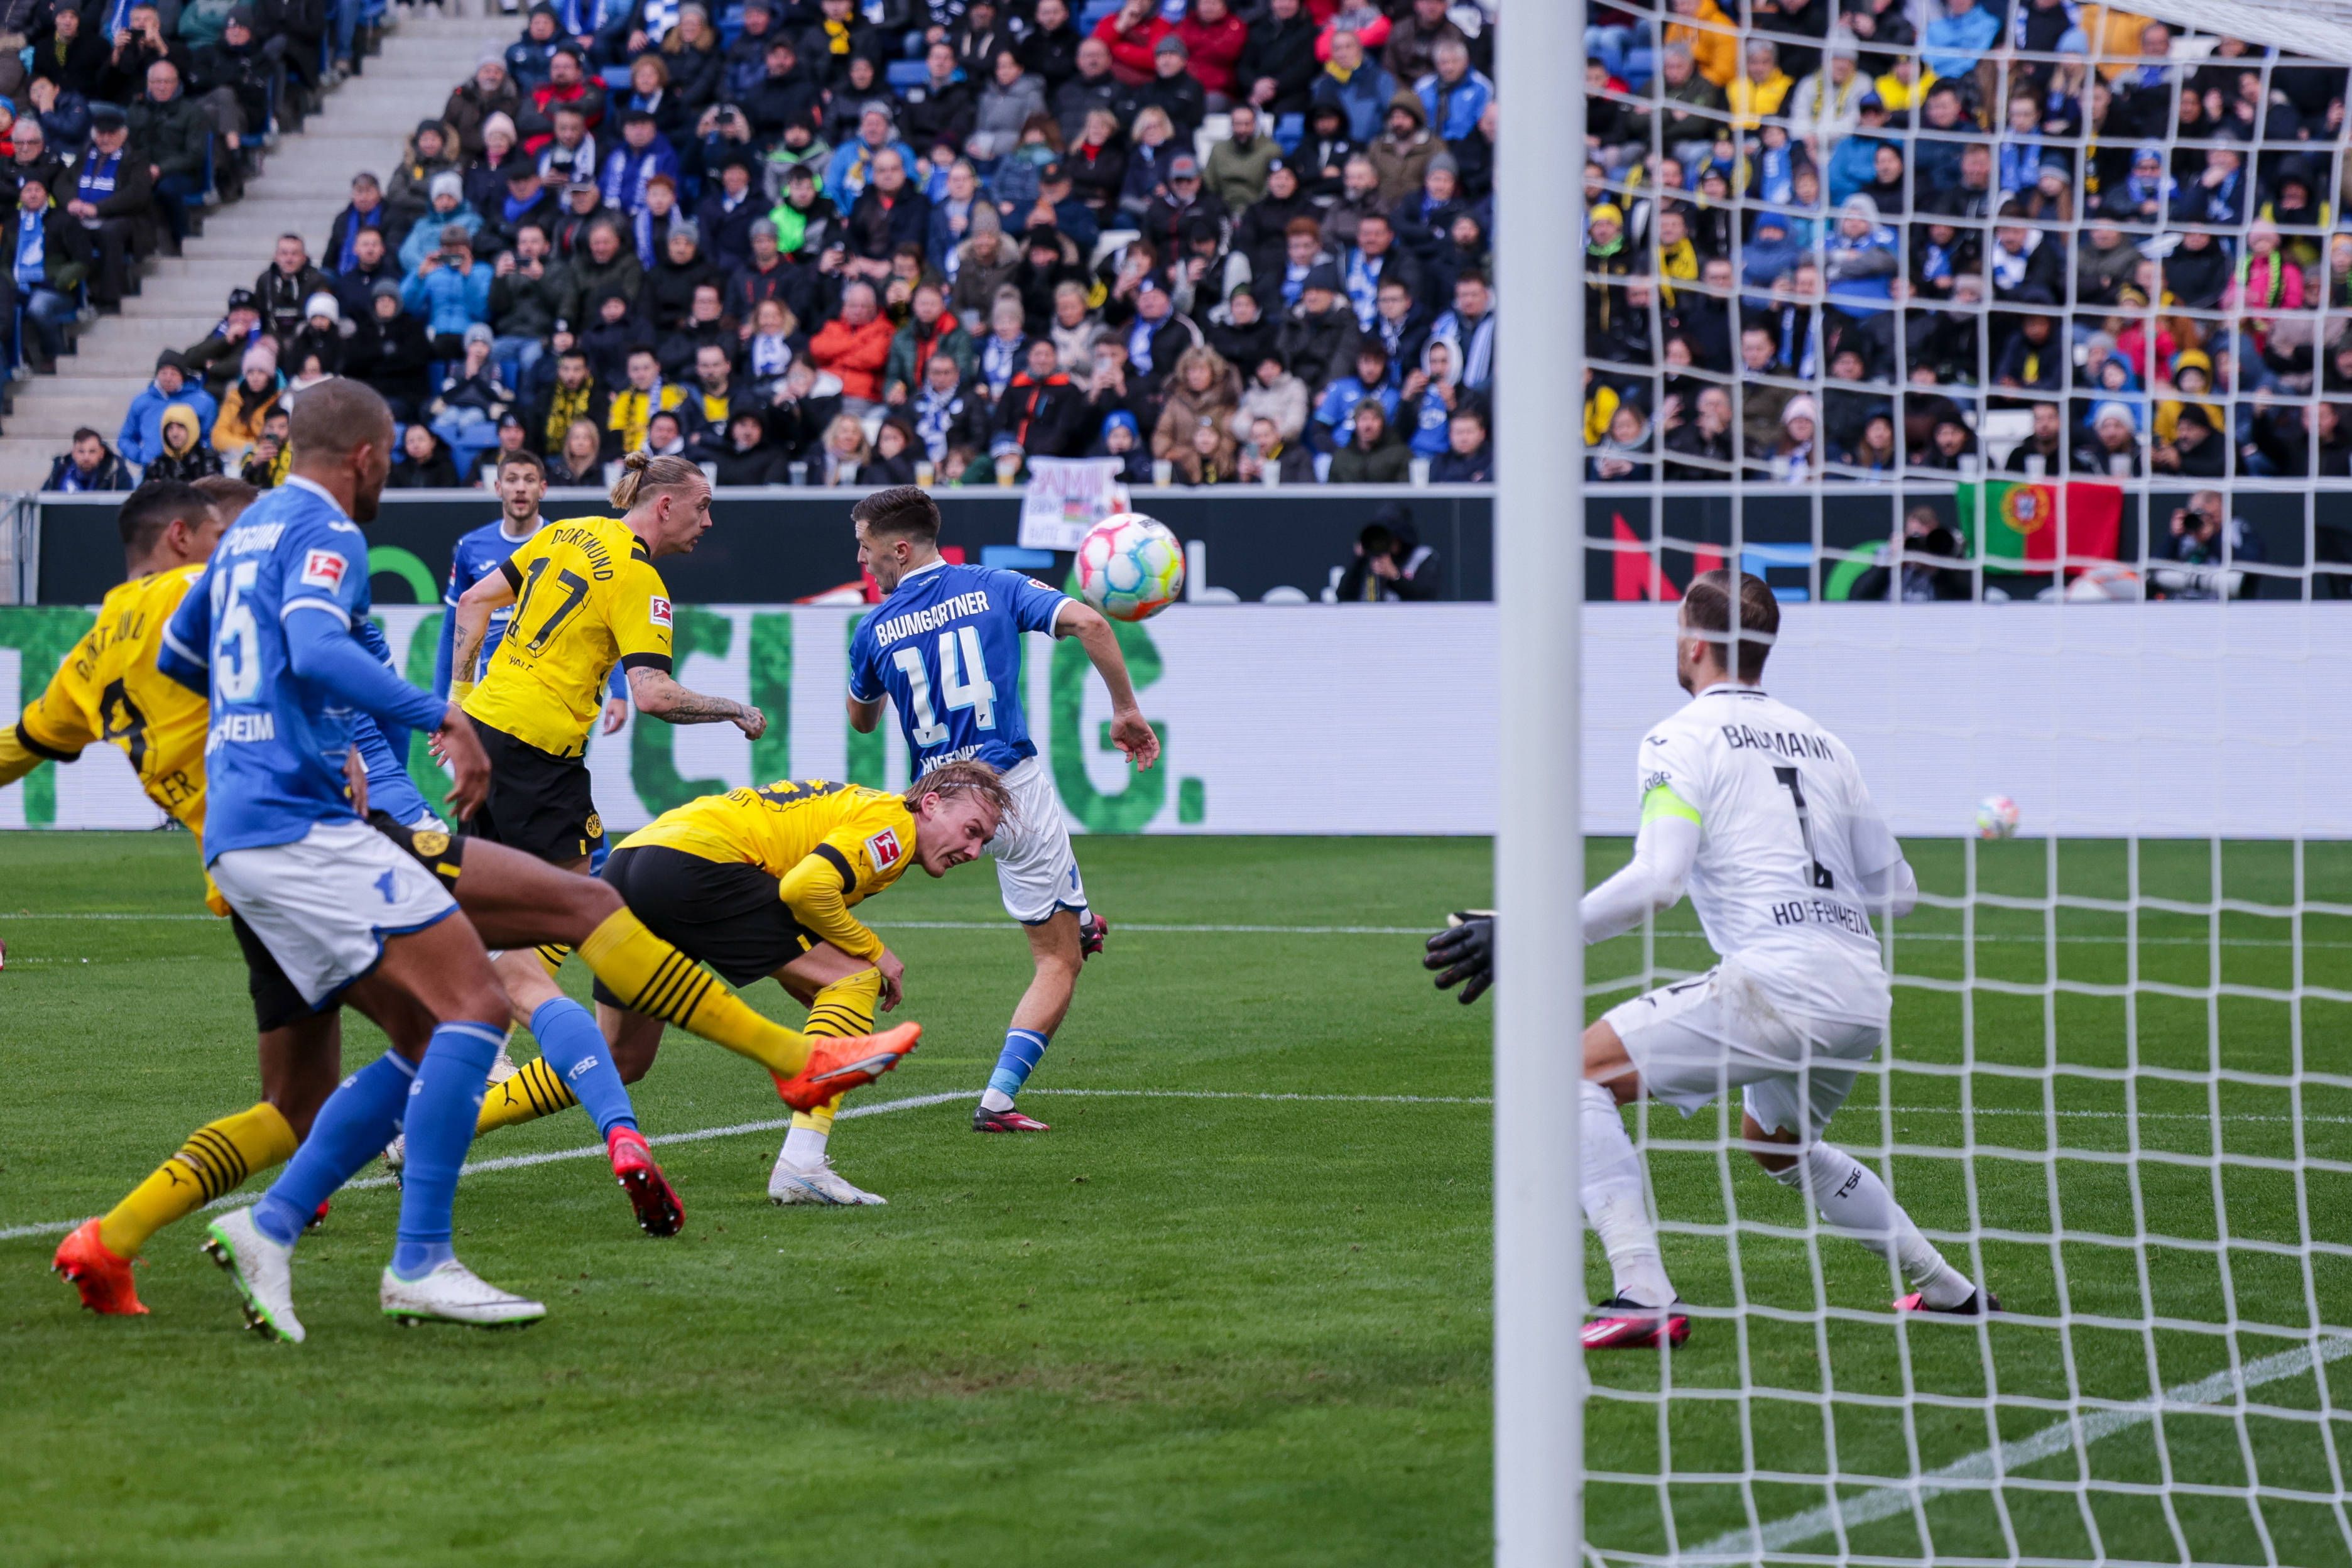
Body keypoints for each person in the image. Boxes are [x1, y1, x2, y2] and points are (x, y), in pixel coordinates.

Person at [1424, 570, 1991, 1351]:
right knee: (1775, 1145)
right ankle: (1949, 1291)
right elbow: (1898, 892)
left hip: (1781, 984)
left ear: (1693, 643)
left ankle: (1643, 1293)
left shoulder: (1679, 736)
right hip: (1860, 992)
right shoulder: (1826, 743)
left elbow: (1658, 882)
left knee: (1567, 1074)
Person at [148, 379, 531, 1339]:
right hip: (294, 822)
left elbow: (179, 654)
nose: (390, 473)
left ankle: (270, 1228)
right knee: (478, 1002)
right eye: (391, 456)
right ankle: (421, 1262)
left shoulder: (243, 534)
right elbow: (317, 646)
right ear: (363, 457)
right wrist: (439, 712)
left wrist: (274, 726)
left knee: (420, 1036)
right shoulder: (330, 532)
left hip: (241, 827)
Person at [847, 486, 1158, 1146]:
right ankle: (997, 1098)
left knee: (828, 889)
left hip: (929, 806)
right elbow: (1094, 624)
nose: (864, 561)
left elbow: (863, 717)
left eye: (868, 549)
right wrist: (1126, 709)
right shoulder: (993, 587)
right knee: (1058, 962)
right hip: (1005, 790)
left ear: (900, 550)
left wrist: (880, 673)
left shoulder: (871, 628)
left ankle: (1078, 918)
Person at [44, 427, 134, 490]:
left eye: (92, 452)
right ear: (73, 453)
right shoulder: (60, 469)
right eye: (81, 451)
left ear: (102, 453)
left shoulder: (117, 472)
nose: (86, 457)